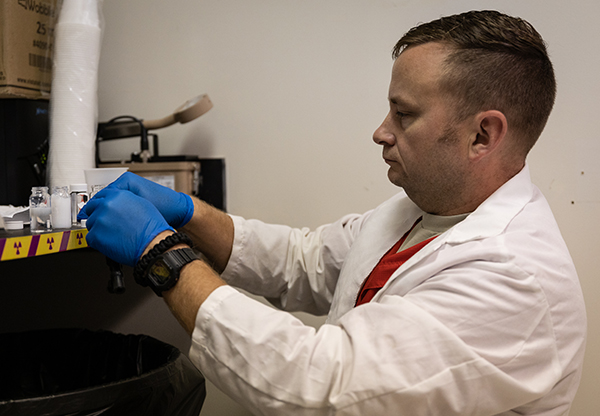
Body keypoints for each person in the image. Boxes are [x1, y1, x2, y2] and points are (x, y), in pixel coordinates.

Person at [80, 10, 586, 415]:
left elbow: (320, 386)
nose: (381, 131)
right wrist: (187, 213)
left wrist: (160, 254)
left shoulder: (512, 275)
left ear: (483, 135)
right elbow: (304, 260)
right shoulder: (422, 210)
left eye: (404, 113)